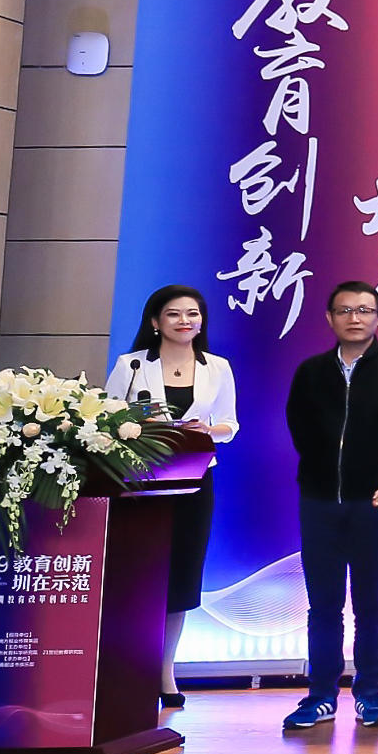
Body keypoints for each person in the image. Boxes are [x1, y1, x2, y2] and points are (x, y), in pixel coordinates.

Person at [281, 281, 378, 732]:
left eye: (364, 310)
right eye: (344, 310)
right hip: (319, 500)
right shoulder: (311, 371)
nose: (355, 318)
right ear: (330, 318)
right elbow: (299, 427)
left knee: (371, 603)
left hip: (375, 503)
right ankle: (320, 695)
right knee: (323, 605)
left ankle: (370, 694)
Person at [104, 284, 238, 710]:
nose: (185, 321)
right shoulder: (131, 365)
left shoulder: (217, 367)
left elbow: (230, 425)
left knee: (180, 578)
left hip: (194, 480)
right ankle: (125, 669)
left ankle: (165, 672)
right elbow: (106, 420)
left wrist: (206, 430)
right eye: (175, 314)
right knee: (138, 574)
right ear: (155, 321)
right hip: (140, 483)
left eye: (193, 314)